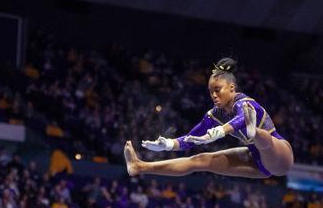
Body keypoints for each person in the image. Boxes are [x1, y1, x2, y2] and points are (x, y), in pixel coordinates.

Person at [124, 57, 293, 178]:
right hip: (254, 161)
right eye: (210, 91)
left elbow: (241, 118)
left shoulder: (245, 103)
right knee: (200, 160)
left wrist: (221, 130)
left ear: (232, 88)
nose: (213, 95)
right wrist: (167, 144)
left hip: (279, 155)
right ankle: (139, 166)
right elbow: (190, 139)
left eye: (218, 90)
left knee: (262, 139)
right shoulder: (214, 115)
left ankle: (254, 132)